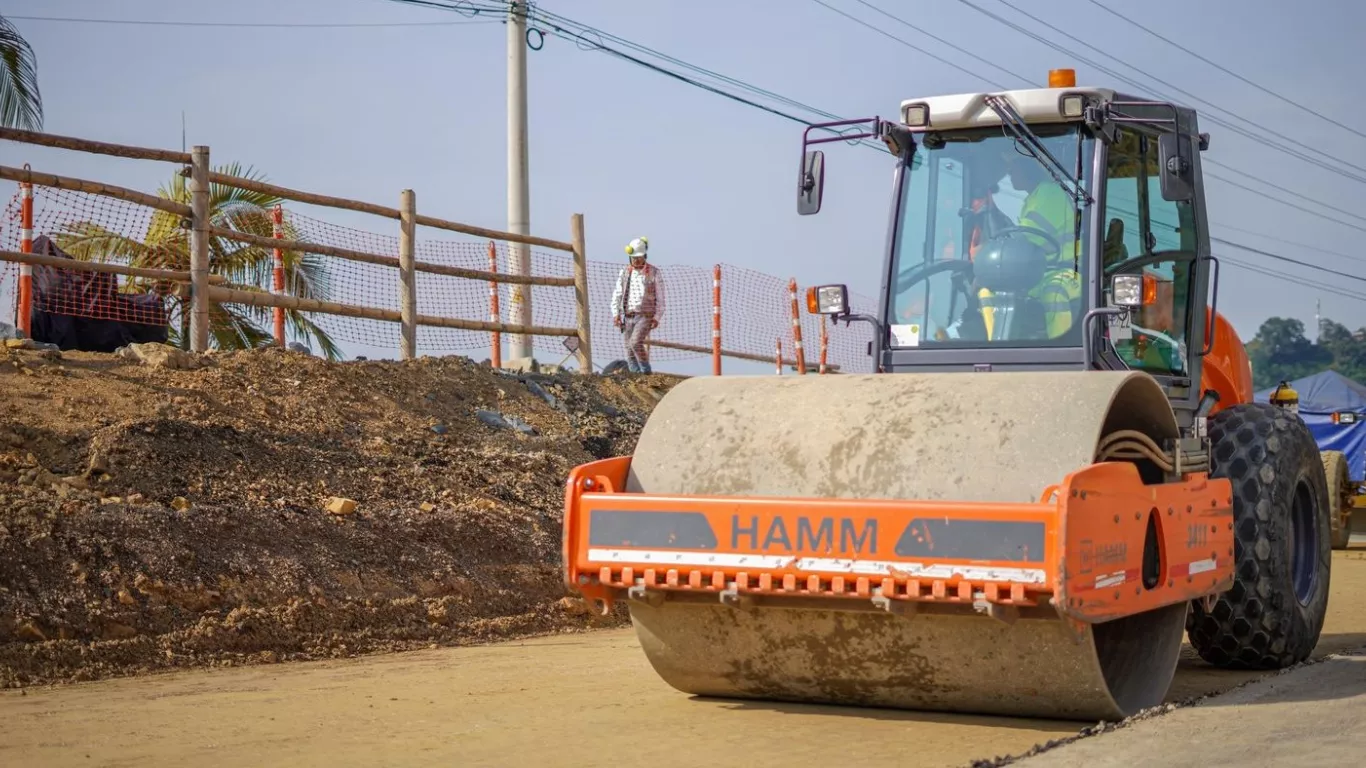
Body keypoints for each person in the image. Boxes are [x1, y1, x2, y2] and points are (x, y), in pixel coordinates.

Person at [1002, 150, 1082, 339]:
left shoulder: (1050, 193)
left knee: (1054, 293)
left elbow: (1027, 237)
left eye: (1013, 167)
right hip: (1043, 273)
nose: (1009, 173)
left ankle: (1064, 348)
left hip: (1068, 271)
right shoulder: (1033, 197)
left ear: (1027, 169)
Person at [610, 236, 665, 374]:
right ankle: (635, 375)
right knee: (628, 348)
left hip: (645, 316)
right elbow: (617, 294)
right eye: (634, 258)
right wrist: (616, 314)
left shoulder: (654, 273)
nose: (636, 260)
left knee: (635, 343)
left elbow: (661, 298)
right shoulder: (625, 273)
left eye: (639, 257)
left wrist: (657, 317)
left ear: (644, 256)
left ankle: (646, 372)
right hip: (628, 315)